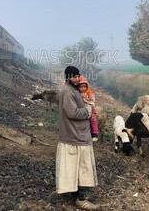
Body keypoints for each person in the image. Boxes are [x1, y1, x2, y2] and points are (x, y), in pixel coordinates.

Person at [56, 66, 100, 210]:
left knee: (76, 167)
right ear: (68, 77)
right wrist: (88, 110)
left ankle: (76, 194)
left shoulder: (72, 90)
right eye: (74, 77)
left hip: (77, 134)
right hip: (76, 136)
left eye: (77, 76)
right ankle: (82, 200)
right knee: (84, 168)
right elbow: (72, 113)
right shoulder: (67, 92)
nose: (76, 79)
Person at [78, 75, 99, 142]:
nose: (83, 88)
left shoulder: (88, 92)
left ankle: (95, 133)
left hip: (89, 106)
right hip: (82, 108)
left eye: (84, 86)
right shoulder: (77, 93)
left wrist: (89, 101)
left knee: (93, 119)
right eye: (81, 87)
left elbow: (92, 99)